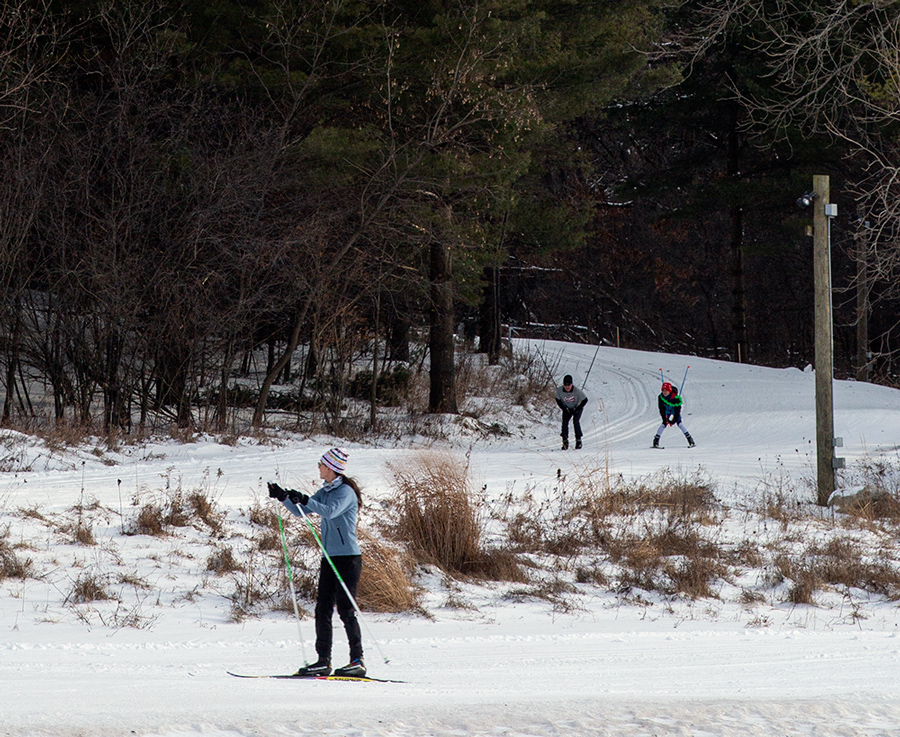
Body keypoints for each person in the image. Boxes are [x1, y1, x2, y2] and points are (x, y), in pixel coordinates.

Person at [267, 447, 365, 678]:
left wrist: (306, 498)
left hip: (348, 559)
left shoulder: (345, 492)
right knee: (322, 609)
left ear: (332, 468)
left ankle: (357, 661)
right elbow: (303, 511)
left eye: (321, 464)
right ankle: (323, 660)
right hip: (329, 558)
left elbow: (330, 512)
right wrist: (284, 497)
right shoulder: (326, 490)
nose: (318, 467)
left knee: (345, 610)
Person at [653, 382, 695, 448]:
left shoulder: (676, 398)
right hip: (666, 412)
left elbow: (677, 410)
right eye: (663, 390)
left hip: (674, 412)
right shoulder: (661, 397)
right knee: (663, 425)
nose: (664, 392)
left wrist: (675, 419)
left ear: (669, 391)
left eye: (666, 390)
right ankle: (656, 441)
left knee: (680, 424)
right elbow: (661, 409)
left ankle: (690, 440)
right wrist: (664, 419)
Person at [555, 374, 588, 450]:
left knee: (576, 421)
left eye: (569, 385)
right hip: (567, 408)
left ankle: (578, 441)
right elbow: (557, 399)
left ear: (572, 384)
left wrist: (577, 409)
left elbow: (585, 400)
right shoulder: (560, 391)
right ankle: (565, 441)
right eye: (565, 385)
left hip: (577, 407)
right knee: (564, 422)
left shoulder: (576, 390)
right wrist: (564, 408)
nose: (567, 387)